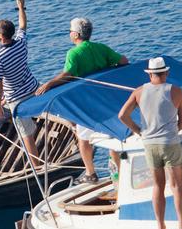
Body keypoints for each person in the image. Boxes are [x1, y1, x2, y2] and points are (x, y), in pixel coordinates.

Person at [36, 17, 129, 184]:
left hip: (87, 104)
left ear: (76, 34)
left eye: (70, 31)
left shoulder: (74, 53)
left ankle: (91, 173)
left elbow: (68, 73)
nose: (69, 34)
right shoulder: (101, 48)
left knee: (83, 138)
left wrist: (49, 84)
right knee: (112, 136)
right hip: (107, 101)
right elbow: (123, 61)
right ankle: (118, 171)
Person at [119, 57, 182, 229]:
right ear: (166, 72)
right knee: (177, 186)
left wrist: (139, 131)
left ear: (150, 74)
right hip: (169, 142)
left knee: (158, 186)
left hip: (149, 144)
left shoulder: (139, 92)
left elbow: (122, 115)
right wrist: (174, 130)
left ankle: (161, 228)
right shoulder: (176, 91)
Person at [0, 0, 40, 172]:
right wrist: (21, 7)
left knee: (26, 136)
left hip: (17, 99)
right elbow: (23, 24)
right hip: (33, 88)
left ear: (1, 36)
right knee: (29, 129)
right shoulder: (21, 42)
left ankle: (36, 167)